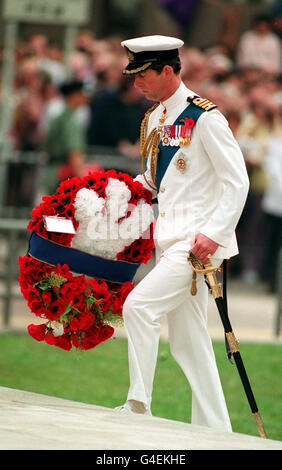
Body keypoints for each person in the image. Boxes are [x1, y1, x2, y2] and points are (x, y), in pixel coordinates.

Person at [115, 35, 249, 432]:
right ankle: (216, 430)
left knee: (138, 307)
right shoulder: (156, 118)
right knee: (190, 344)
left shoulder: (205, 117)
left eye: (143, 75)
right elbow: (159, 181)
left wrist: (214, 233)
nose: (136, 84)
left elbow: (236, 181)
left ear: (168, 71)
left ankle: (138, 404)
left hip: (195, 245)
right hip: (169, 240)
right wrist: (117, 190)